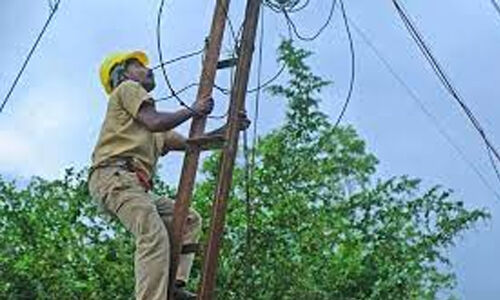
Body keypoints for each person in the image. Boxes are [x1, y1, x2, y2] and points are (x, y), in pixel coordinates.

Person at [88, 50, 249, 300]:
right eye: (138, 65)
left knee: (187, 220)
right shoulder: (127, 90)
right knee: (152, 236)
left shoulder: (148, 128)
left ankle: (174, 287)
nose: (147, 69)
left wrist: (228, 129)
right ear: (122, 75)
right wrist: (193, 110)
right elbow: (154, 121)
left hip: (132, 184)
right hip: (115, 176)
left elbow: (192, 144)